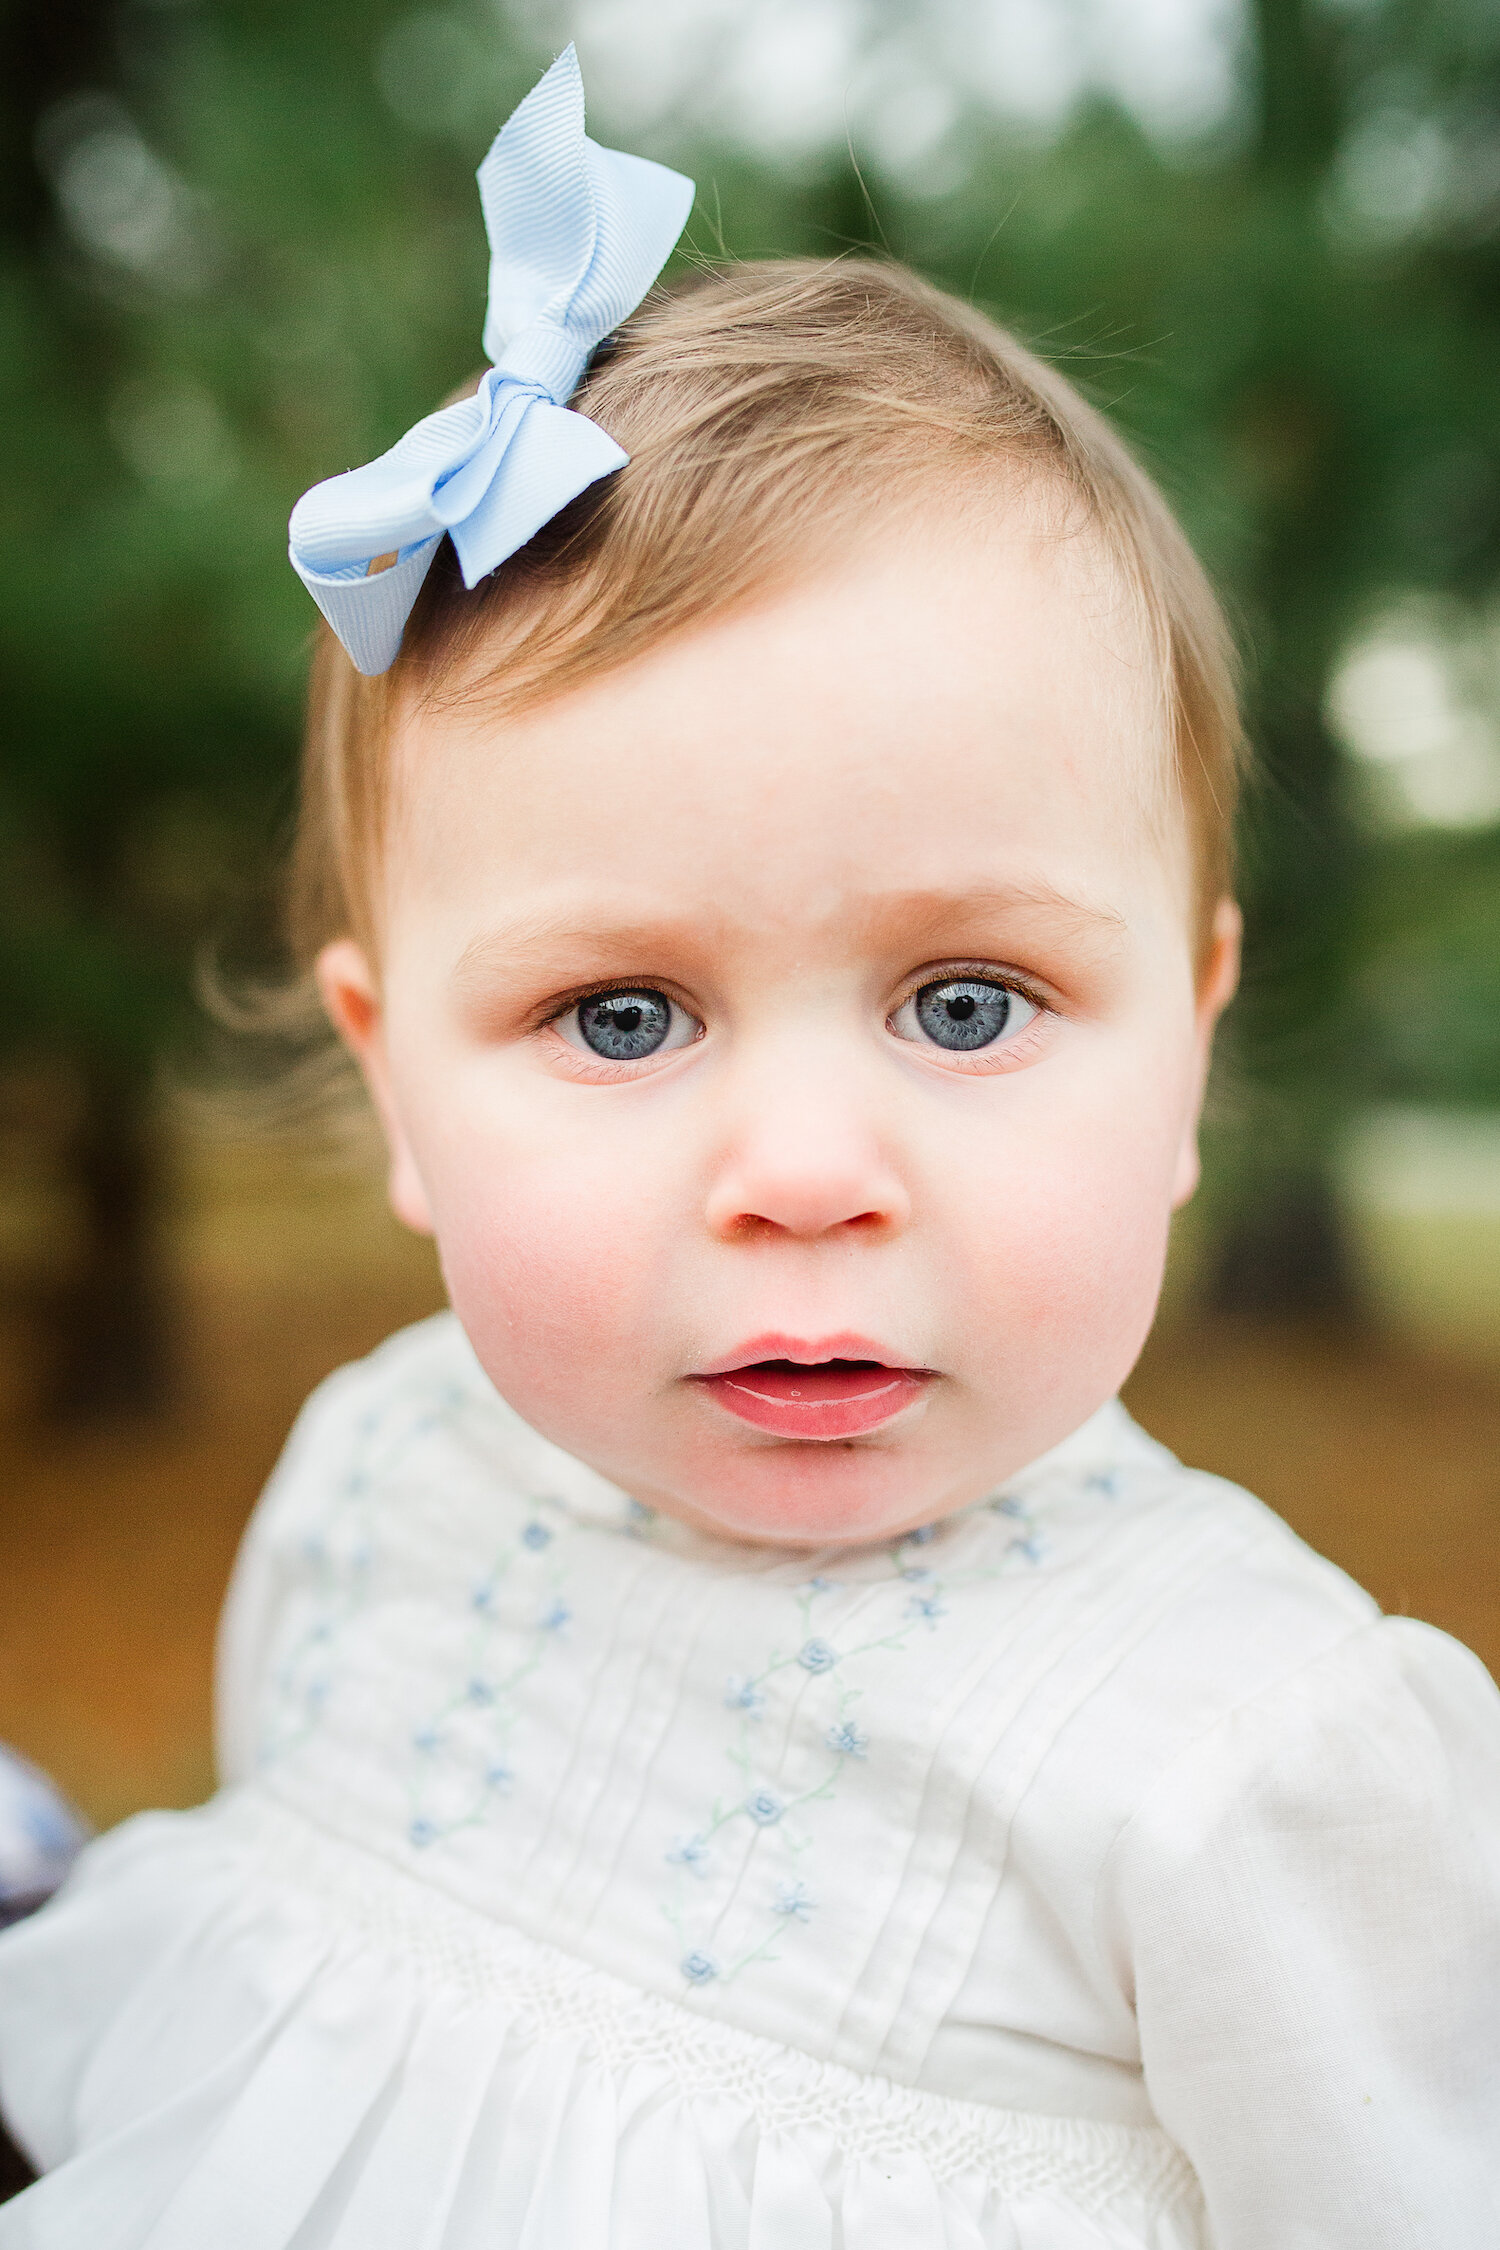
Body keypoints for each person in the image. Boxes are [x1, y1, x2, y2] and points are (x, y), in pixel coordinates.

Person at [0, 44, 1495, 2250]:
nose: (805, 1171)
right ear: (394, 1078)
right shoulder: (380, 1480)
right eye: (622, 1015)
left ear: (1187, 1042)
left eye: (967, 1004)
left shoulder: (1257, 1765)